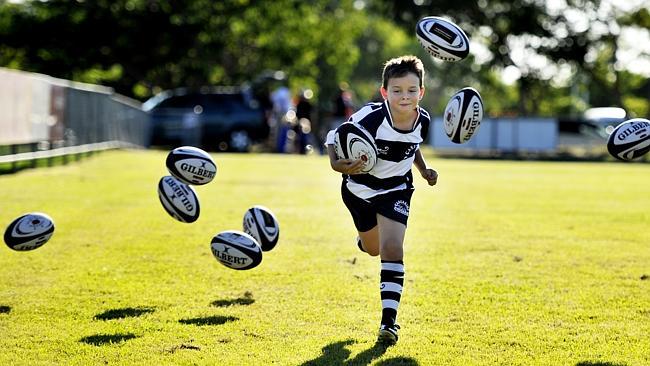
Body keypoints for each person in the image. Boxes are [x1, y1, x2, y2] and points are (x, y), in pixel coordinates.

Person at [325, 55, 438, 345]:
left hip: (396, 191)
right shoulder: (370, 118)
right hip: (359, 191)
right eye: (397, 90)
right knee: (373, 249)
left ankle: (389, 323)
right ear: (384, 92)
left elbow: (412, 147)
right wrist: (337, 165)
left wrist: (424, 170)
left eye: (412, 90)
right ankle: (365, 240)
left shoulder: (422, 120)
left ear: (421, 92)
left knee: (392, 248)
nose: (405, 96)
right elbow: (333, 139)